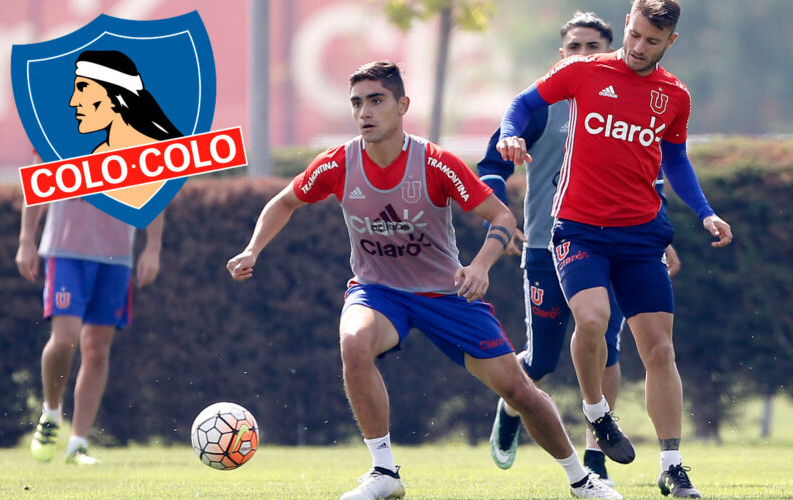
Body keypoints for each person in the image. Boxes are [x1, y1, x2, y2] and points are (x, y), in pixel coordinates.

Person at [227, 61, 621, 500]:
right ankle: (383, 472)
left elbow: (502, 216)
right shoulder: (338, 163)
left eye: (376, 100)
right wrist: (252, 249)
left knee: (519, 391)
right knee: (353, 342)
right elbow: (284, 203)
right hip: (378, 292)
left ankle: (581, 480)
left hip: (447, 295)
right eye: (357, 103)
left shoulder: (435, 162)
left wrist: (480, 266)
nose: (365, 112)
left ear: (402, 106)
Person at [496, 1, 733, 497]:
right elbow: (521, 104)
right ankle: (597, 413)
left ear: (671, 42)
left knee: (660, 349)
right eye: (636, 34)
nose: (639, 47)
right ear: (627, 25)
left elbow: (676, 161)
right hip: (579, 228)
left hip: (642, 233)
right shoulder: (582, 70)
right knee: (592, 320)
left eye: (652, 41)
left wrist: (704, 211)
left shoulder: (674, 96)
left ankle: (671, 464)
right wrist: (513, 134)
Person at [479, 10, 680, 486]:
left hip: (609, 243)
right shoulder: (542, 107)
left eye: (595, 47)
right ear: (561, 56)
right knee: (543, 359)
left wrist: (662, 239)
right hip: (548, 246)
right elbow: (492, 164)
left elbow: (649, 176)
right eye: (576, 48)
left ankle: (595, 463)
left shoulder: (630, 101)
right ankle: (512, 406)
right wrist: (502, 222)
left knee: (606, 344)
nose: (585, 56)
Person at [15, 49, 175, 465]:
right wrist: (26, 240)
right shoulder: (57, 128)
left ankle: (78, 443)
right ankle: (51, 414)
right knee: (65, 339)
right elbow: (38, 187)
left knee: (98, 349)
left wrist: (152, 248)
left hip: (116, 256)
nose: (75, 98)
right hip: (66, 250)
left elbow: (155, 197)